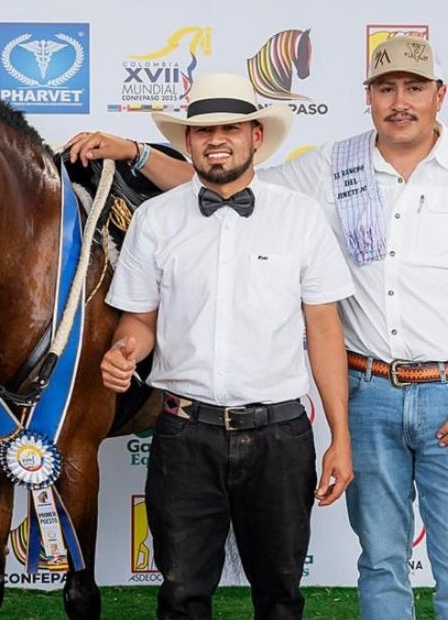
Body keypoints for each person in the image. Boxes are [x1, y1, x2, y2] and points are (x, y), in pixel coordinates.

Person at [74, 36, 448, 620]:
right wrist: (133, 153)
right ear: (368, 97)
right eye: (385, 88)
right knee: (379, 564)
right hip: (367, 393)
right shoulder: (329, 167)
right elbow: (223, 183)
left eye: (414, 87)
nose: (400, 101)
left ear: (439, 95)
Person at [98, 73, 355, 620]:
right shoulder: (154, 219)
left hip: (280, 437)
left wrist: (340, 436)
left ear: (256, 135)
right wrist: (125, 350)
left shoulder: (301, 217)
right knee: (182, 595)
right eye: (202, 130)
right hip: (183, 436)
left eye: (230, 128)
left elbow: (326, 333)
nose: (217, 139)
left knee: (281, 595)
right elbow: (139, 321)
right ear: (187, 143)